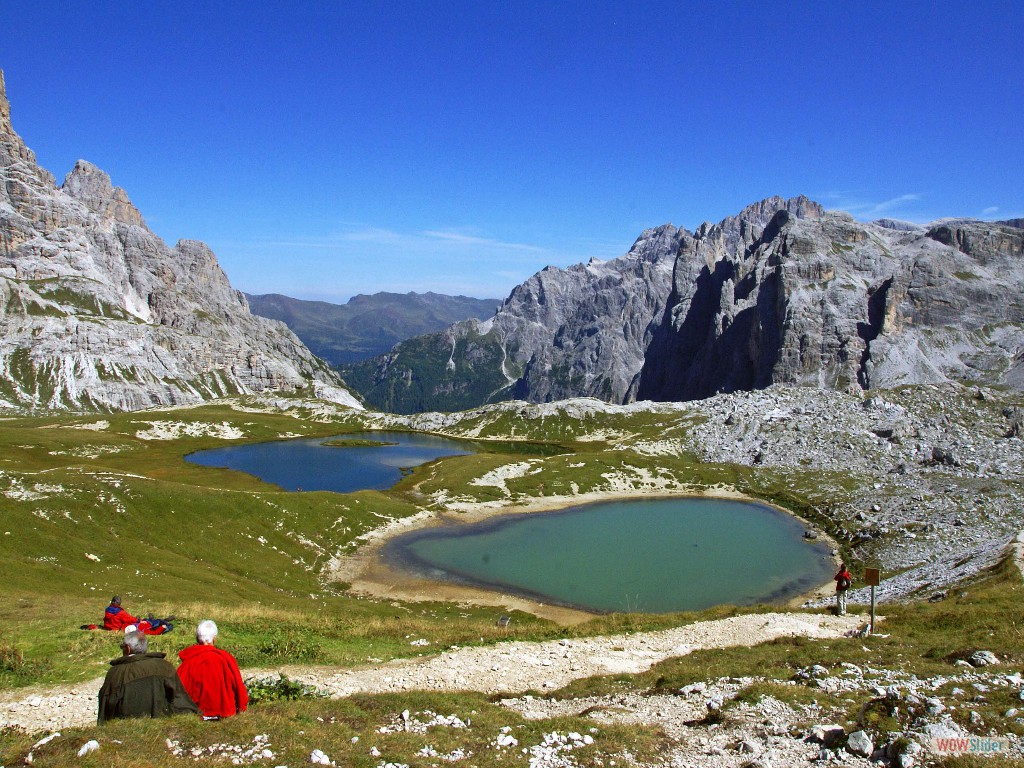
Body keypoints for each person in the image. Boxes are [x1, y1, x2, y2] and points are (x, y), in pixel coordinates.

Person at [97, 630, 198, 724]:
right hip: (163, 723)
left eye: (122, 646)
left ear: (127, 649)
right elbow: (179, 698)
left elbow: (106, 704)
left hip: (128, 727)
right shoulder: (165, 666)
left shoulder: (116, 672)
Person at [176, 620, 248, 720]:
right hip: (225, 712)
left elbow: (179, 688)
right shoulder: (226, 659)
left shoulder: (189, 661)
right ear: (214, 638)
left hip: (196, 713)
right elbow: (238, 687)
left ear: (197, 638)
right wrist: (241, 707)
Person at [103, 596, 174, 634]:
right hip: (146, 624)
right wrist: (138, 620)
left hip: (111, 628)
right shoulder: (120, 613)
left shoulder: (107, 610)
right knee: (158, 621)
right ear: (118, 603)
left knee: (149, 620)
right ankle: (164, 620)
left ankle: (151, 618)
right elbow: (129, 619)